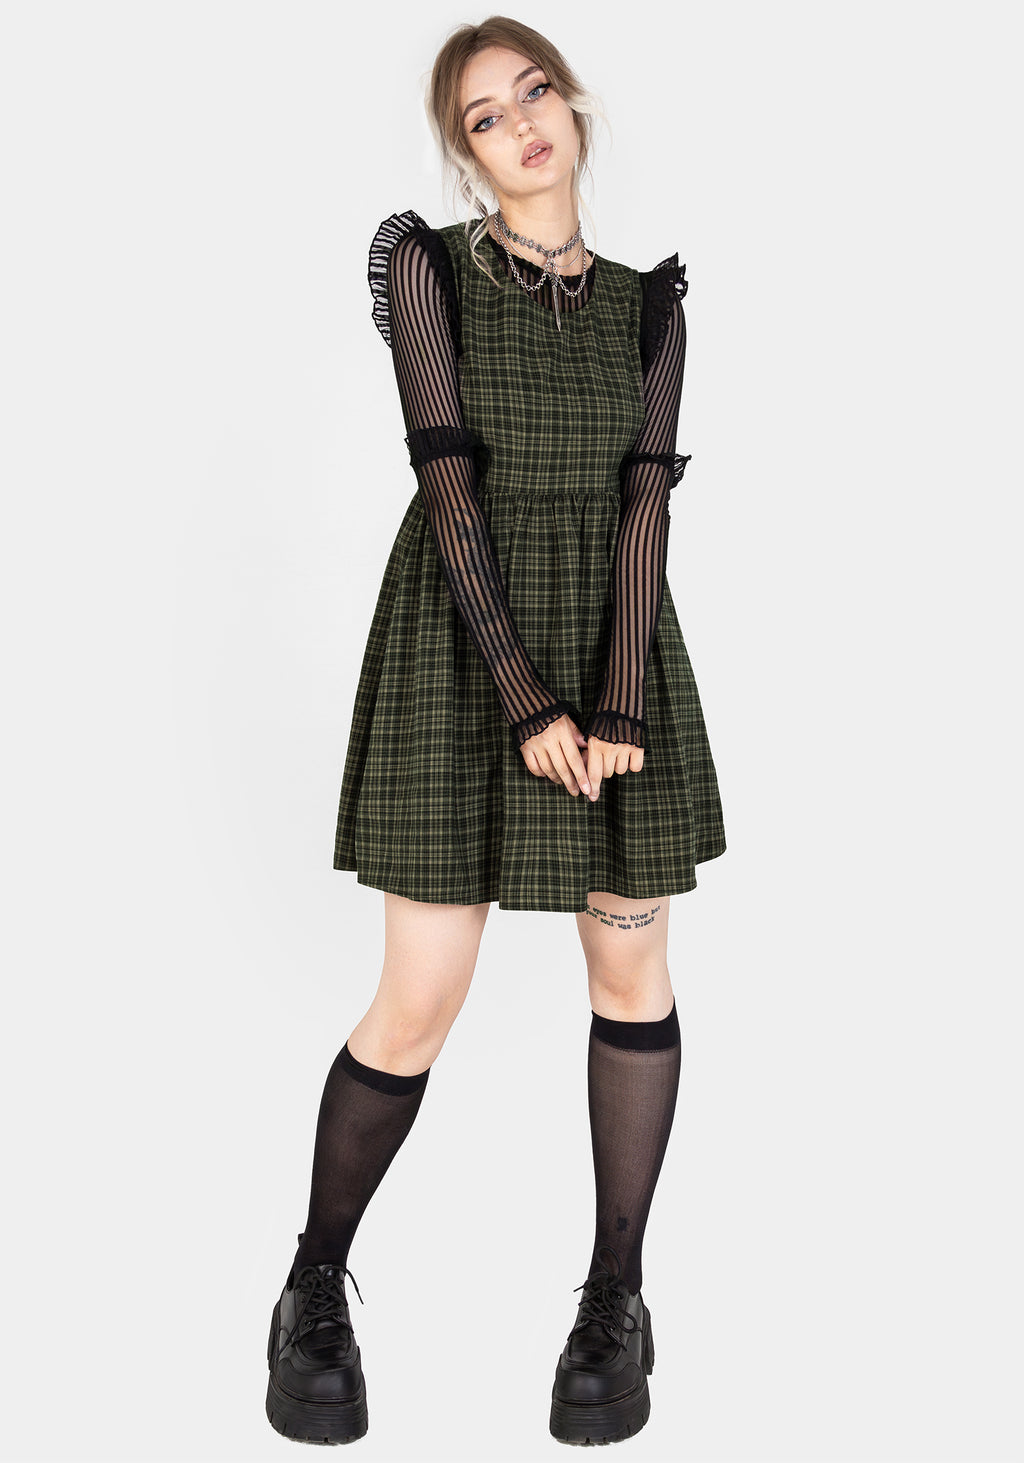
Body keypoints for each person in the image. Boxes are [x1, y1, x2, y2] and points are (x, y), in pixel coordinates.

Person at [265, 14, 727, 1448]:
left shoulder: (653, 304)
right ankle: (314, 1282)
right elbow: (448, 483)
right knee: (421, 997)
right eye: (484, 115)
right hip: (463, 646)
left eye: (533, 93)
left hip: (615, 647)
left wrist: (620, 703)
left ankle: (615, 1301)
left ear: (572, 109)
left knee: (630, 968)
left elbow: (644, 505)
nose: (520, 123)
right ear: (465, 155)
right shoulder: (430, 268)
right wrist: (528, 700)